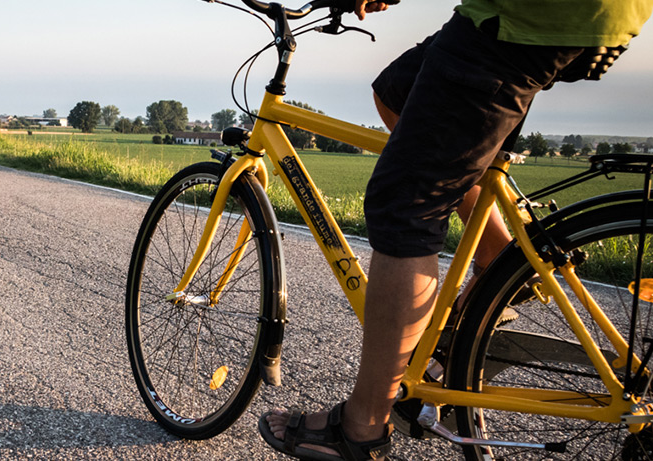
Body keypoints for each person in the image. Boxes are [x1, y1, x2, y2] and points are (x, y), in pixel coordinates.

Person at [258, 0, 653, 459]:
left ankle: (360, 427)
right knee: (396, 91)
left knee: (405, 205)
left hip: (532, 15)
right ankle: (495, 256)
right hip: (577, 13)